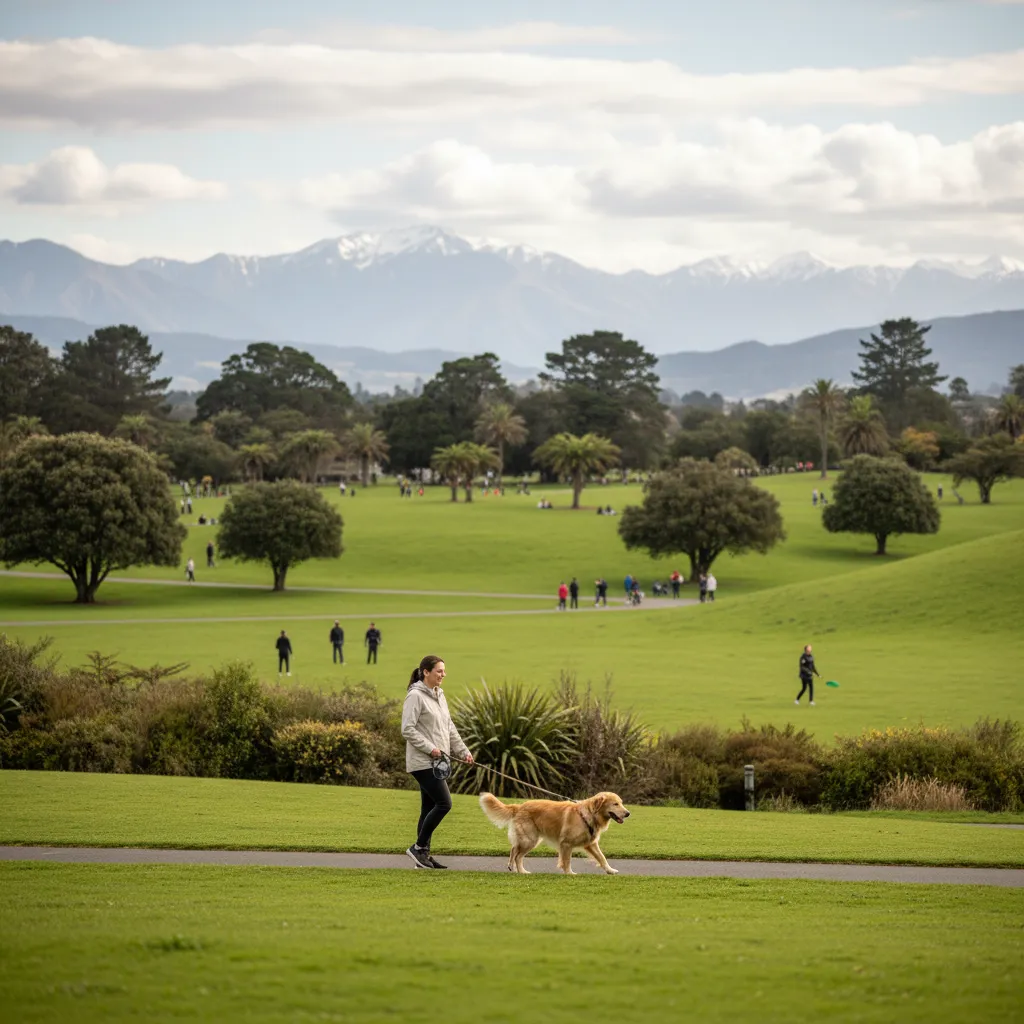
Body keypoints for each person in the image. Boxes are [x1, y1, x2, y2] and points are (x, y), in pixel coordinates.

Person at [402, 655, 473, 869]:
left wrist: (464, 751)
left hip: (437, 762)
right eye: (439, 671)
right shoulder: (415, 696)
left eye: (444, 671)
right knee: (444, 803)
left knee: (428, 807)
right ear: (426, 672)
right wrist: (430, 748)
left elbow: (449, 728)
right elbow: (407, 729)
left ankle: (422, 857)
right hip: (423, 761)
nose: (443, 675)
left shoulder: (439, 695)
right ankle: (418, 848)